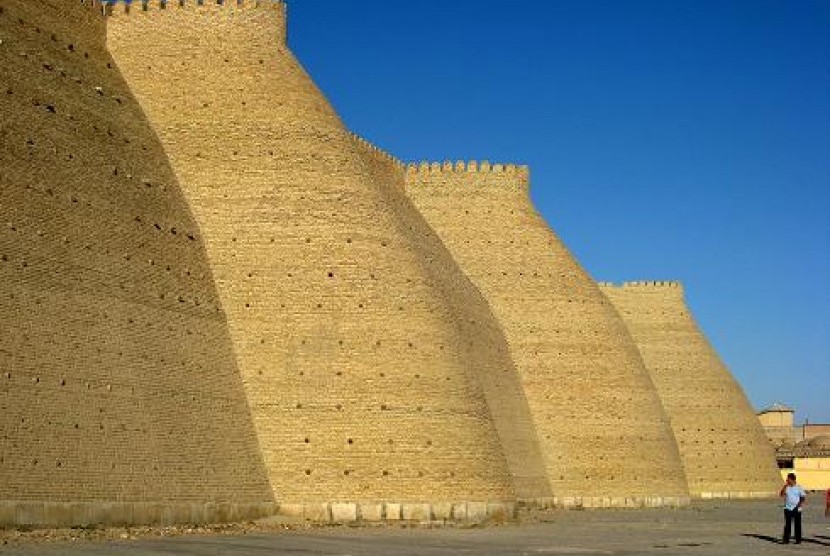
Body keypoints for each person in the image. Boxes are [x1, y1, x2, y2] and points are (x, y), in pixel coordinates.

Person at [780, 472, 806, 544]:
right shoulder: (786, 487)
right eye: (787, 479)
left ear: (793, 480)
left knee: (797, 524)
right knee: (787, 524)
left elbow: (803, 497)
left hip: (797, 508)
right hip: (788, 508)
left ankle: (798, 540)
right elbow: (781, 494)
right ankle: (786, 540)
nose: (787, 481)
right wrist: (785, 487)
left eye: (788, 479)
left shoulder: (799, 487)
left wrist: (799, 504)